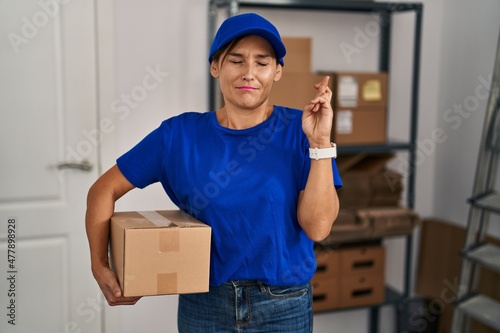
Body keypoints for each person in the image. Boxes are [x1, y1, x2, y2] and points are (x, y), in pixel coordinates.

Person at [85, 12, 342, 332]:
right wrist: (100, 265)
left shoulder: (300, 131)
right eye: (236, 60)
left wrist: (319, 142)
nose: (249, 73)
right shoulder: (178, 135)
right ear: (215, 67)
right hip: (203, 304)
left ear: (277, 72)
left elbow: (317, 228)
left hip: (283, 306)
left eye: (262, 63)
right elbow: (102, 190)